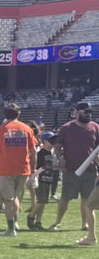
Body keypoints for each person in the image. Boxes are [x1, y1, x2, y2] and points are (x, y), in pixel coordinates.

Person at [49, 101, 99, 244]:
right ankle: (57, 221)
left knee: (87, 200)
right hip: (70, 169)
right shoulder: (67, 128)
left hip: (89, 170)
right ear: (77, 112)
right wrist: (60, 159)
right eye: (85, 112)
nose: (88, 114)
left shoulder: (95, 127)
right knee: (66, 197)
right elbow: (58, 146)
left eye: (90, 112)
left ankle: (85, 224)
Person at [0, 103, 37, 237]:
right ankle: (15, 223)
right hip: (23, 169)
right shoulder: (27, 129)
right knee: (14, 197)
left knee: (7, 200)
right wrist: (33, 168)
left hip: (6, 169)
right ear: (18, 114)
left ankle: (10, 229)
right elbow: (33, 152)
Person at [29, 132, 58, 230]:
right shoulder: (40, 153)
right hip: (40, 180)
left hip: (48, 180)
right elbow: (38, 167)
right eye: (51, 141)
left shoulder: (51, 153)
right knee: (41, 200)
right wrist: (35, 176)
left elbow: (53, 167)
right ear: (45, 142)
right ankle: (31, 216)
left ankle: (38, 222)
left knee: (44, 202)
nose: (53, 143)